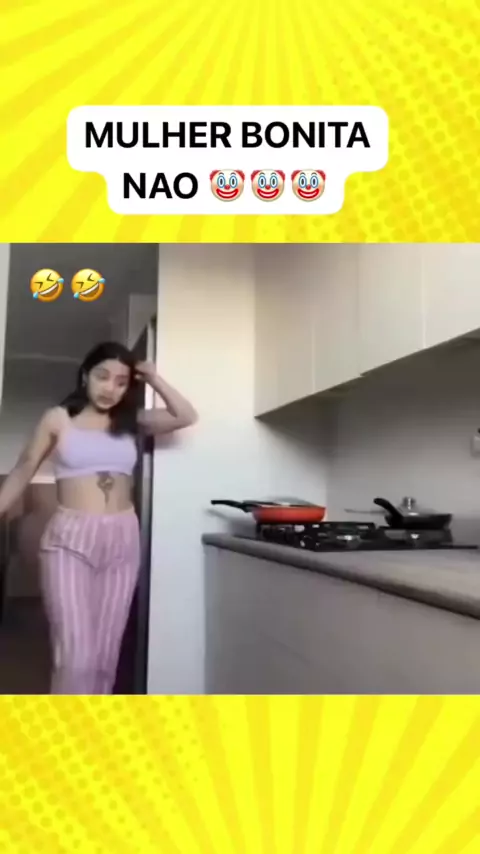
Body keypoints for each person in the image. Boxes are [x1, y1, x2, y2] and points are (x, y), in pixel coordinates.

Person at [0, 341, 198, 695]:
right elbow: (23, 469)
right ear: (85, 375)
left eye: (121, 382)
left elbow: (185, 415)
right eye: (103, 376)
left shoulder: (131, 422)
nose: (110, 388)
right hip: (70, 540)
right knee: (75, 658)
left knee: (105, 658)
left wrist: (153, 377)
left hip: (123, 539)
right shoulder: (58, 419)